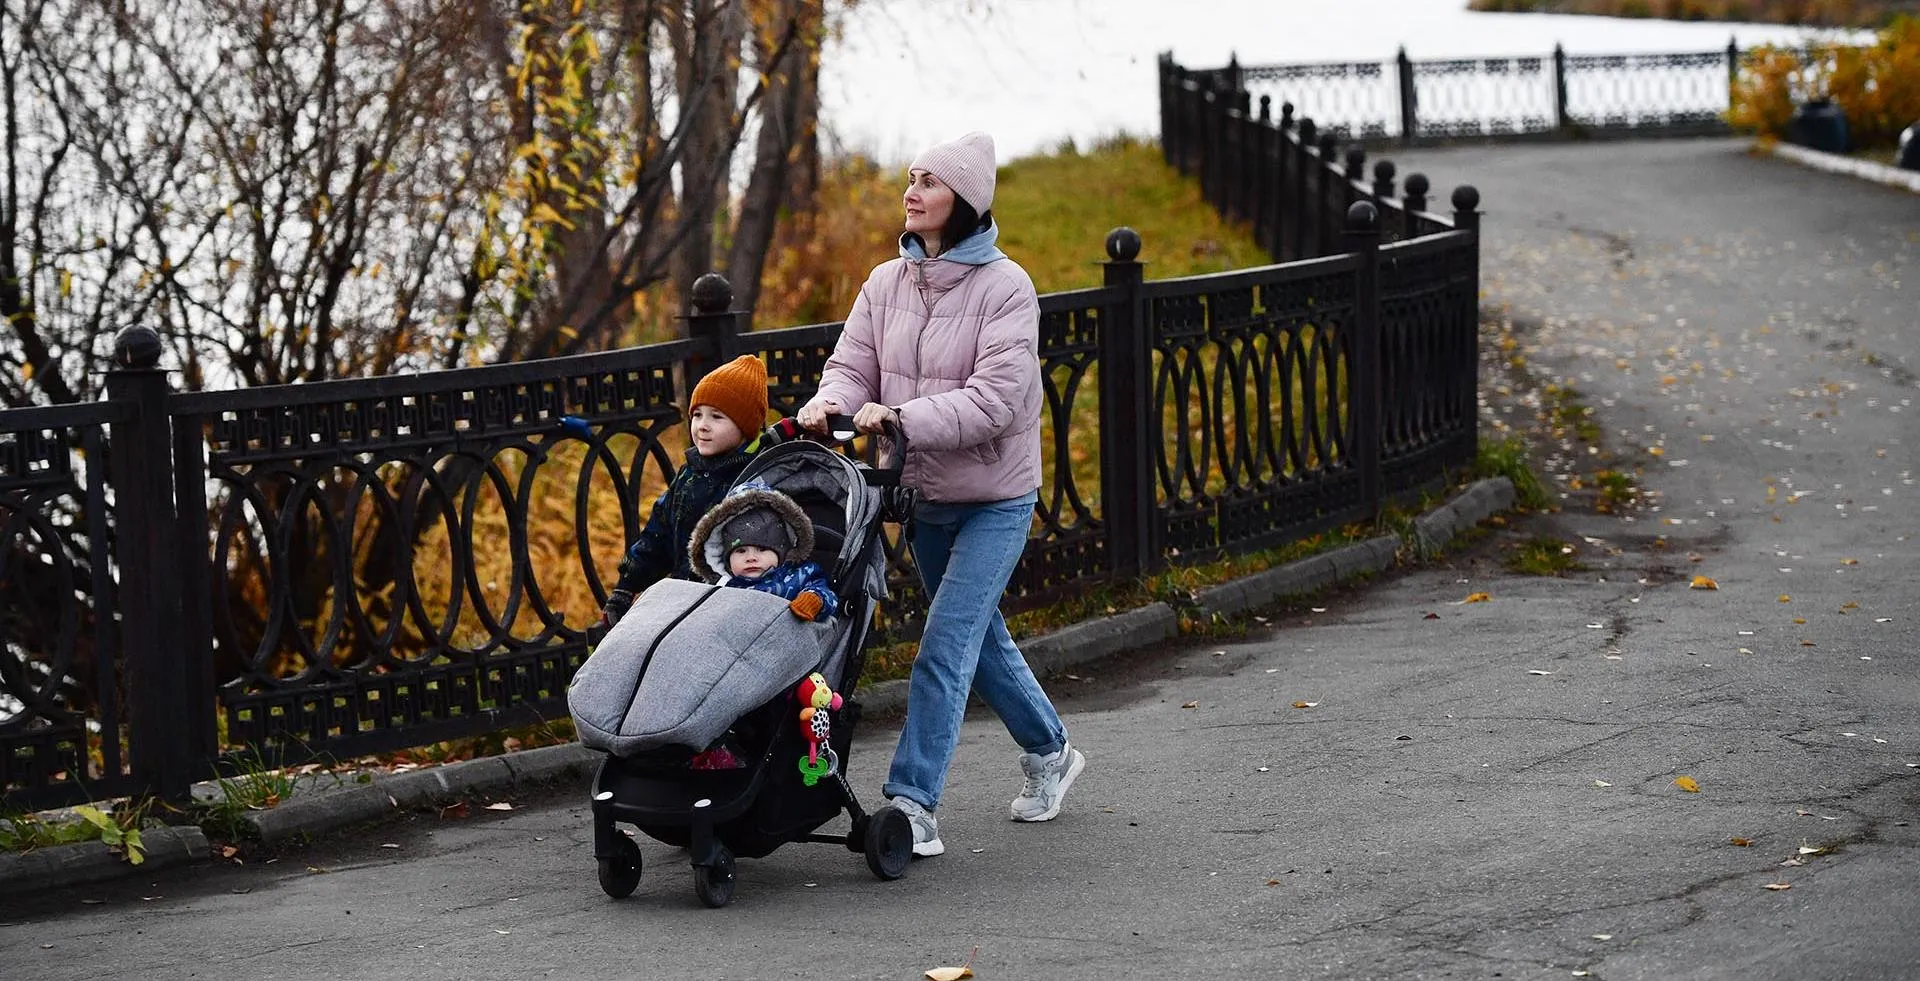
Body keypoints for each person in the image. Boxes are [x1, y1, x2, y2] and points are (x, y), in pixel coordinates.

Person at [797, 131, 1085, 858]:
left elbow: (995, 400)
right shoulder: (885, 282)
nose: (913, 190)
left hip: (995, 498)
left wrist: (900, 418)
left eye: (929, 180)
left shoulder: (1006, 289)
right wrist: (826, 404)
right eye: (912, 177)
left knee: (945, 645)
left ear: (965, 201)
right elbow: (851, 366)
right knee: (978, 640)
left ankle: (913, 803)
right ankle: (1051, 752)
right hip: (923, 496)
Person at [601, 353, 798, 628]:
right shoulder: (689, 475)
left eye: (716, 417)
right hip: (686, 599)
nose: (702, 426)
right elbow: (658, 536)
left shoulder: (759, 477)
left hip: (737, 607)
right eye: (697, 415)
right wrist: (626, 585)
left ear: (745, 427)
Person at [687, 479, 841, 623]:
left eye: (761, 549)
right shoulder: (724, 586)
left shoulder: (798, 576)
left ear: (781, 552)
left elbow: (827, 594)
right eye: (741, 551)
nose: (751, 557)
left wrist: (813, 600)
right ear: (726, 559)